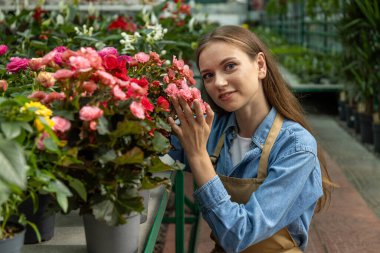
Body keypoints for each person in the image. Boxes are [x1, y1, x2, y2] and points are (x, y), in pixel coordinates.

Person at [168, 25, 333, 253]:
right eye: (208, 75)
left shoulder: (295, 146)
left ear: (260, 65)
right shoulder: (213, 130)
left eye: (230, 66)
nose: (219, 82)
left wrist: (198, 157)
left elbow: (239, 234)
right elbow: (158, 144)